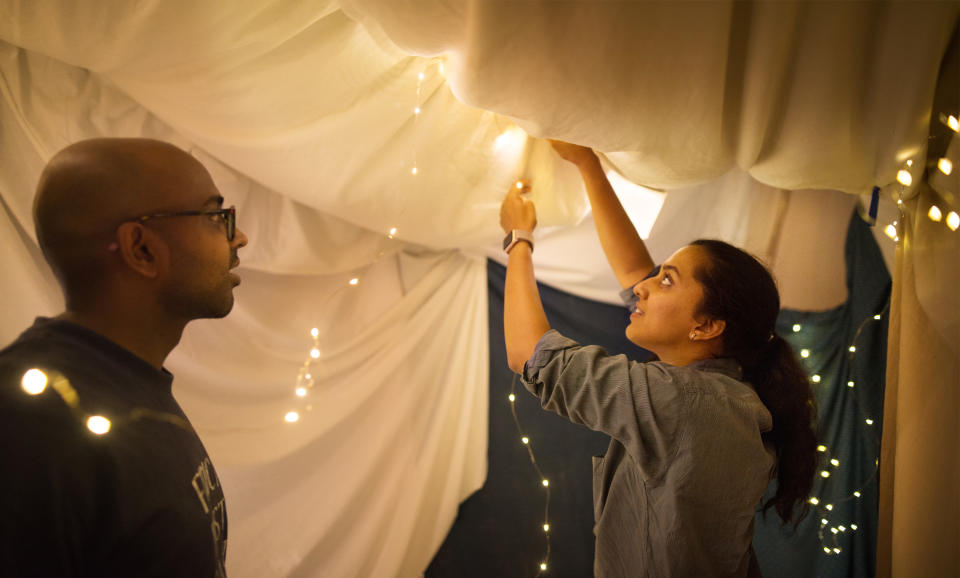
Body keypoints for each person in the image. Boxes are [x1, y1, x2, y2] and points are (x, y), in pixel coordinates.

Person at [499, 140, 817, 577]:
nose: (644, 287)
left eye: (667, 280)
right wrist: (587, 163)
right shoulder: (725, 396)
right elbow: (636, 274)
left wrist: (519, 239)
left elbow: (531, 356)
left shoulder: (683, 399)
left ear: (706, 326)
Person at [0, 138, 248, 577]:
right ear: (141, 248)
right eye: (215, 217)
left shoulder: (126, 384)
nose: (239, 237)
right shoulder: (31, 421)